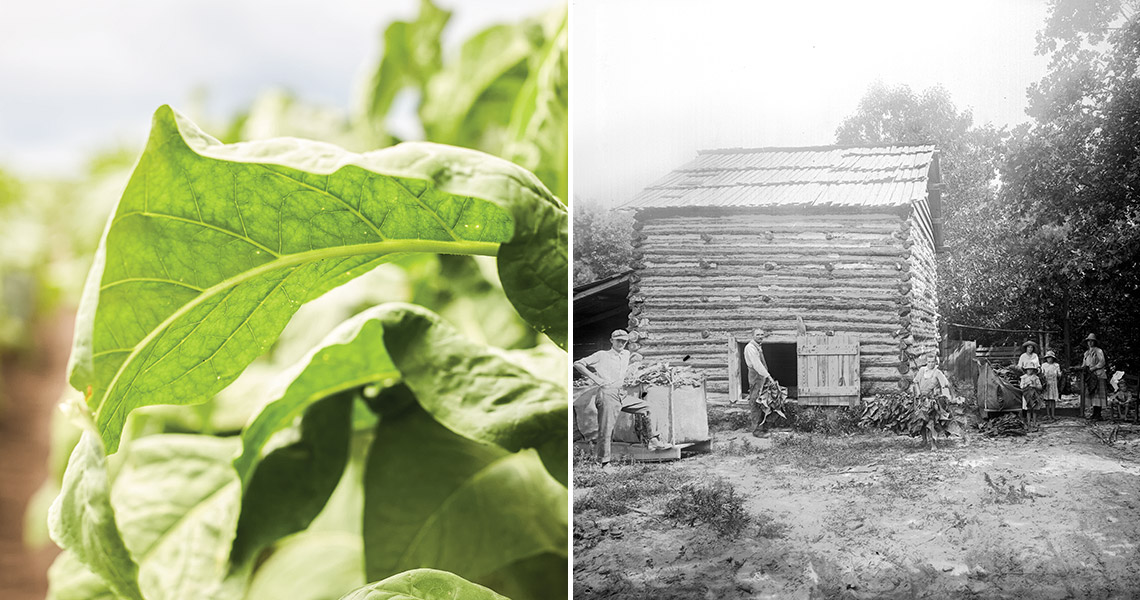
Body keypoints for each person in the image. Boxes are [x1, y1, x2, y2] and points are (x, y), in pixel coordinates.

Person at [574, 329, 670, 465]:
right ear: (611, 341)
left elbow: (629, 364)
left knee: (648, 407)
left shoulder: (626, 354)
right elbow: (578, 363)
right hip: (607, 394)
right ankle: (604, 462)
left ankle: (652, 440)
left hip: (621, 394)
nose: (621, 343)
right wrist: (596, 378)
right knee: (606, 429)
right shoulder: (602, 355)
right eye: (618, 340)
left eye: (624, 341)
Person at [744, 328, 773, 436]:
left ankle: (762, 427)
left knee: (762, 401)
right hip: (756, 376)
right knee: (755, 402)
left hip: (760, 377)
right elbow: (757, 365)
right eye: (757, 335)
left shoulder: (758, 347)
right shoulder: (750, 348)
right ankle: (757, 430)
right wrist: (769, 377)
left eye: (762, 334)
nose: (760, 336)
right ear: (752, 336)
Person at [1082, 333, 1108, 420]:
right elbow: (1084, 364)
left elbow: (1102, 362)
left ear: (1095, 342)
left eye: (1092, 341)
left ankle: (1098, 414)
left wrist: (1094, 368)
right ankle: (1094, 413)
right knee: (1093, 394)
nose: (1090, 343)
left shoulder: (1099, 351)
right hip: (1090, 376)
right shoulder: (1086, 353)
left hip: (1098, 374)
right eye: (1089, 341)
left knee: (1098, 395)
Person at [1040, 350, 1062, 421]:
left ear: (1053, 358)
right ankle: (1048, 414)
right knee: (1047, 399)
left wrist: (1060, 374)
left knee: (1053, 400)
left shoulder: (1056, 365)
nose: (1049, 359)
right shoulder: (1043, 365)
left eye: (1051, 358)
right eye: (1048, 358)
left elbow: (1059, 374)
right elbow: (1041, 375)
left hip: (1053, 383)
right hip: (1046, 384)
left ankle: (1053, 414)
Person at [1021, 364, 1043, 428]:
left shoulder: (1036, 378)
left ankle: (1034, 422)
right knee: (1028, 409)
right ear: (1026, 370)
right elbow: (1021, 386)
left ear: (1033, 370)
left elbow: (1040, 387)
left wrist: (1034, 385)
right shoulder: (1023, 377)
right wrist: (1026, 385)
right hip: (1026, 394)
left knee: (1034, 409)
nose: (1030, 371)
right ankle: (1028, 423)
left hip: (1034, 394)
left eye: (1031, 369)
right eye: (1028, 369)